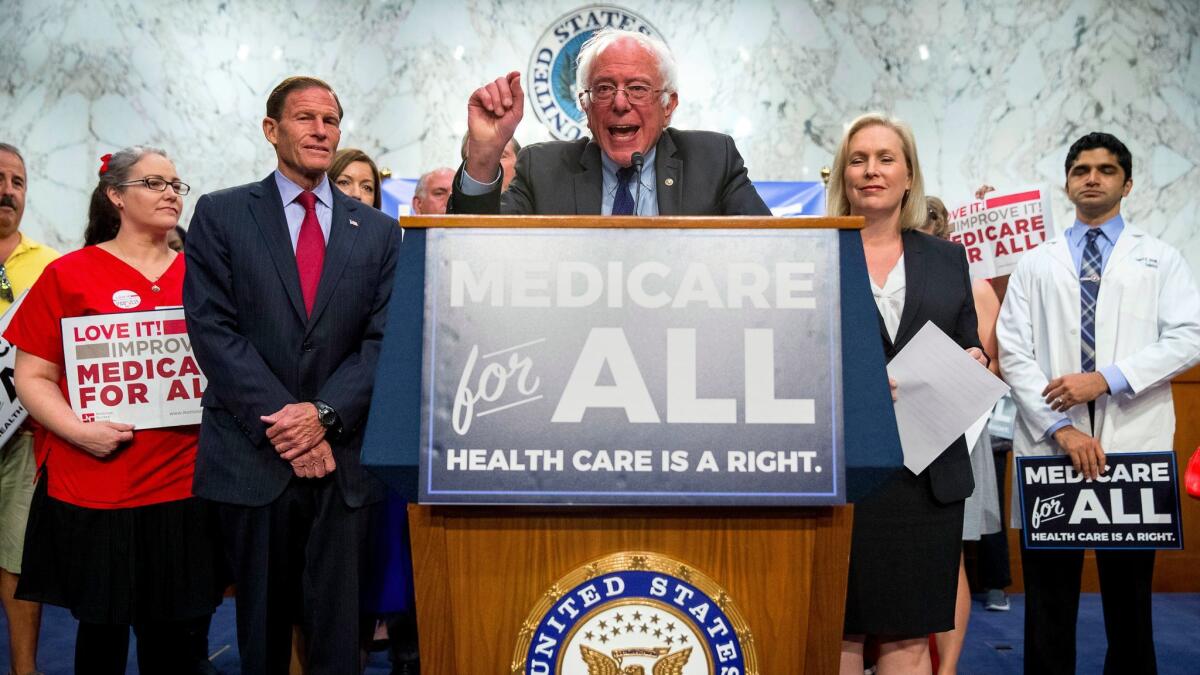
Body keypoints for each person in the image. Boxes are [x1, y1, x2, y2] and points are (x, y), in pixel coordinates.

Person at [183, 75, 402, 675]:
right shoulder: (222, 214)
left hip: (345, 463)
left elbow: (383, 340)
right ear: (271, 129)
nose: (320, 130)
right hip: (254, 459)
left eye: (330, 120)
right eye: (305, 118)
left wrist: (324, 416)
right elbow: (213, 329)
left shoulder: (380, 231)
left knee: (340, 639)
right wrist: (288, 425)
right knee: (261, 635)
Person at [5, 146, 225, 675]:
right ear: (116, 196)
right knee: (98, 643)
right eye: (154, 183)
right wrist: (78, 431)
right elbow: (33, 376)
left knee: (177, 645)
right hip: (96, 486)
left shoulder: (207, 276)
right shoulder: (69, 274)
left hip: (186, 485)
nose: (171, 192)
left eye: (176, 184)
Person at [997, 131, 1200, 674]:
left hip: (1132, 445)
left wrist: (1106, 379)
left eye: (1106, 170)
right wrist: (1062, 429)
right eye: (1081, 169)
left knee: (1130, 597)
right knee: (1047, 598)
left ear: (1126, 184)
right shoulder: (1035, 264)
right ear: (1066, 184)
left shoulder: (1161, 259)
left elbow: (1190, 336)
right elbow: (1014, 352)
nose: (1092, 177)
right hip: (1051, 450)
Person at [830, 113, 986, 674]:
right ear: (843, 175)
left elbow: (970, 342)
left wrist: (975, 358)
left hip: (927, 476)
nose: (871, 170)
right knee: (839, 635)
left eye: (885, 158)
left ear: (908, 174)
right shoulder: (817, 255)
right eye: (858, 158)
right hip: (847, 474)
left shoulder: (946, 258)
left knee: (910, 637)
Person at [449, 27, 770, 216]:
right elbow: (476, 255)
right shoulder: (542, 168)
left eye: (638, 89)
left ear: (668, 105)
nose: (619, 103)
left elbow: (768, 254)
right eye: (603, 89)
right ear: (585, 106)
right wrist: (484, 157)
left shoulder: (712, 159)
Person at [325, 151, 420, 675]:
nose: (358, 193)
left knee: (390, 559)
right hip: (327, 428)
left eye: (367, 185)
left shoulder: (391, 248)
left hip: (378, 421)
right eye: (346, 182)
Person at [922, 195, 1003, 675]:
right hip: (902, 421)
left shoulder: (974, 288)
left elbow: (981, 359)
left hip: (958, 428)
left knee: (949, 557)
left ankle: (947, 668)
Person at [0, 142, 59, 675]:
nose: (7, 190)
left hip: (21, 441)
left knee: (16, 562)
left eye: (17, 182)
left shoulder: (50, 266)